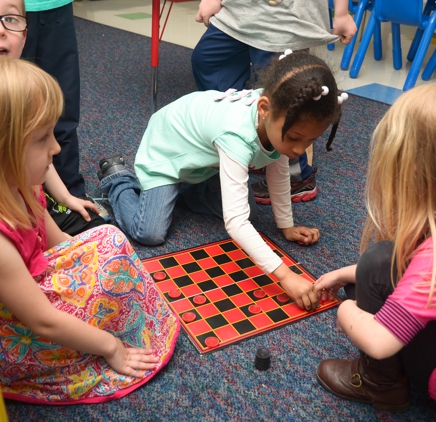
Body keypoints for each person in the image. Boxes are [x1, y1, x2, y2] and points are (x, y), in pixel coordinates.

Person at [99, 51, 347, 311]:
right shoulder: (237, 134)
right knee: (149, 233)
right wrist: (285, 276)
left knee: (248, 212)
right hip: (166, 154)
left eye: (310, 140)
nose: (299, 149)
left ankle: (182, 191)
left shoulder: (282, 106)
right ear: (264, 109)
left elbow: (278, 167)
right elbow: (235, 223)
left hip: (204, 163)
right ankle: (118, 179)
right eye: (295, 138)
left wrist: (286, 225)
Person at [0, 57, 179, 404]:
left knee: (107, 237)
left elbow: (59, 244)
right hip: (18, 332)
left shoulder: (23, 183)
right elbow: (43, 322)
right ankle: (100, 343)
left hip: (38, 282)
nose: (56, 148)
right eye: (41, 139)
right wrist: (111, 346)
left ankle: (110, 318)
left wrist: (93, 266)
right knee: (105, 279)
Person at [313, 80, 436, 412]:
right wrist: (345, 274)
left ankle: (380, 385)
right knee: (370, 273)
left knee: (375, 265)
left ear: (412, 170)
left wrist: (346, 314)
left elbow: (379, 341)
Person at [192, 0, 356, 204]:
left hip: (286, 20)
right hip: (239, 11)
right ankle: (251, 142)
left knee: (287, 94)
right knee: (208, 60)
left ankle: (295, 176)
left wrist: (341, 13)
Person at [1, 0, 107, 235]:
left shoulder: (27, 87)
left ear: (24, 35)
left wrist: (66, 197)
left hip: (29, 202)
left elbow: (37, 156)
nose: (1, 30)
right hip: (8, 215)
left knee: (99, 231)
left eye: (10, 20)